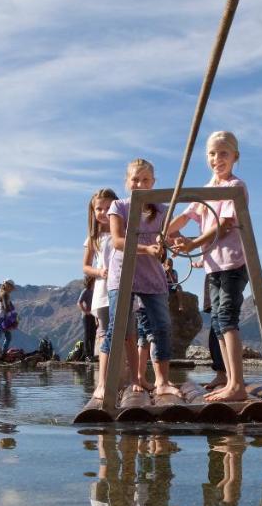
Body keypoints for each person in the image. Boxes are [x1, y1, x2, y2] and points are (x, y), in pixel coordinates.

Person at [169, 131, 248, 403]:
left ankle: (237, 384)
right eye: (212, 154)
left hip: (232, 264)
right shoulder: (207, 189)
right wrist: (162, 233)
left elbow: (223, 226)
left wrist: (192, 245)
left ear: (235, 156)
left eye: (224, 153)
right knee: (217, 323)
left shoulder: (234, 186)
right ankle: (228, 378)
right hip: (214, 267)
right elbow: (185, 216)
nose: (218, 159)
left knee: (227, 319)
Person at [102, 158, 177, 398]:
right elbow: (117, 241)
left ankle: (162, 381)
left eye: (145, 180)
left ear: (153, 183)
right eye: (135, 179)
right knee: (118, 330)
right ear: (127, 182)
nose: (140, 184)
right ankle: (104, 384)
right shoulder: (119, 207)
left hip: (152, 277)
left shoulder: (162, 209)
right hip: (122, 276)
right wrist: (147, 249)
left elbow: (172, 238)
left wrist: (177, 243)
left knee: (162, 327)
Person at [82, 188, 118, 381]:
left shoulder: (122, 232)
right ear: (93, 212)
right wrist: (100, 272)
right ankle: (104, 380)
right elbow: (86, 267)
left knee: (127, 333)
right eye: (99, 209)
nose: (103, 213)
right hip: (103, 291)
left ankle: (123, 376)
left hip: (123, 287)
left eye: (108, 208)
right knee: (104, 332)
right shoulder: (93, 238)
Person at [0, 280, 18, 358]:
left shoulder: (3, 293)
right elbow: (6, 307)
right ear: (8, 286)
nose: (12, 289)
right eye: (11, 287)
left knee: (7, 337)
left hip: (2, 317)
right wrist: (12, 318)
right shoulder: (4, 294)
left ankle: (3, 353)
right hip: (2, 318)